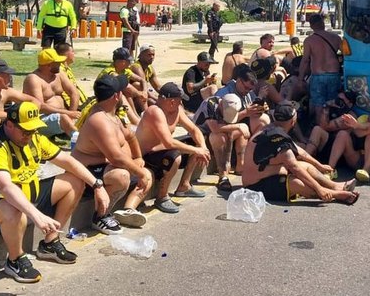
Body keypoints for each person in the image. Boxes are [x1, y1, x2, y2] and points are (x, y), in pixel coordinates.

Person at [0, 101, 106, 283]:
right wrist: (37, 215)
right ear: (9, 125)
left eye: (33, 130)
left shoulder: (34, 138)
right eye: (25, 130)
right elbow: (6, 188)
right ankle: (15, 260)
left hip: (25, 196)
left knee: (75, 181)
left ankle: (50, 243)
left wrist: (97, 185)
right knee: (14, 208)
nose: (30, 135)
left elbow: (67, 161)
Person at [72, 75, 154, 233]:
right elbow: (116, 157)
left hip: (104, 168)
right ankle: (100, 216)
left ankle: (129, 209)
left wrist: (138, 158)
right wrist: (139, 172)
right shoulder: (99, 120)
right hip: (86, 172)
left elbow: (130, 136)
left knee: (146, 173)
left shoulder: (112, 114)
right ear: (117, 96)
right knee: (122, 176)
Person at [242, 102, 359, 204]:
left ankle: (334, 186)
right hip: (255, 186)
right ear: (293, 121)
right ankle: (333, 194)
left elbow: (299, 151)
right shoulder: (278, 140)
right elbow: (295, 168)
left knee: (307, 166)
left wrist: (319, 165)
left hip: (268, 173)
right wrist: (319, 189)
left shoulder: (273, 128)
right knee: (296, 183)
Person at [135, 82, 212, 213]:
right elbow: (168, 142)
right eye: (179, 100)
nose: (181, 103)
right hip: (146, 155)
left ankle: (184, 186)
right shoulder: (154, 112)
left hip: (162, 150)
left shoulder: (177, 110)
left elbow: (194, 129)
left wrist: (203, 148)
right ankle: (162, 197)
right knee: (176, 156)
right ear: (171, 101)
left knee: (195, 143)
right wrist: (196, 150)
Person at [192, 93, 249, 189]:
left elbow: (229, 132)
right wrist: (238, 126)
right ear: (221, 105)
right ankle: (222, 175)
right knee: (220, 137)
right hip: (201, 134)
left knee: (242, 132)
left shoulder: (233, 105)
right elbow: (215, 128)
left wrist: (228, 161)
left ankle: (240, 166)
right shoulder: (209, 104)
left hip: (219, 133)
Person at [327, 105, 370, 183]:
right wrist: (365, 129)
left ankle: (366, 170)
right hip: (357, 159)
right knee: (342, 134)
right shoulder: (364, 117)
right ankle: (329, 169)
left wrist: (358, 126)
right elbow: (357, 132)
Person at [23, 48, 79, 138]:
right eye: (57, 63)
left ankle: (71, 129)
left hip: (65, 114)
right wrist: (67, 114)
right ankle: (78, 141)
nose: (60, 64)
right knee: (63, 117)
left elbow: (74, 93)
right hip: (42, 118)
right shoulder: (33, 79)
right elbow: (40, 106)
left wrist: (72, 113)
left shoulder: (59, 73)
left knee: (90, 113)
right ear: (48, 65)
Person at [300, 14, 344, 118]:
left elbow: (305, 60)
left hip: (318, 75)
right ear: (323, 24)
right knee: (333, 101)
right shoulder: (336, 38)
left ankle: (317, 126)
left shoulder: (309, 40)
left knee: (318, 103)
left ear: (311, 26)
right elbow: (346, 55)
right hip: (334, 74)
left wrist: (300, 78)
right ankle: (331, 123)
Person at [54, 42, 87, 111]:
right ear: (66, 55)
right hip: (74, 105)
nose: (74, 54)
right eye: (72, 52)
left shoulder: (67, 68)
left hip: (82, 102)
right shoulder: (60, 71)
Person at [129, 44, 163, 111]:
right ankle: (145, 114)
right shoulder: (136, 67)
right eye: (149, 55)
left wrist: (169, 94)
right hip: (132, 99)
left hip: (142, 97)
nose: (152, 57)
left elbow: (158, 87)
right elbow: (143, 87)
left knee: (156, 102)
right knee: (153, 102)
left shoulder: (149, 68)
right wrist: (158, 99)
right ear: (141, 55)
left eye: (153, 55)